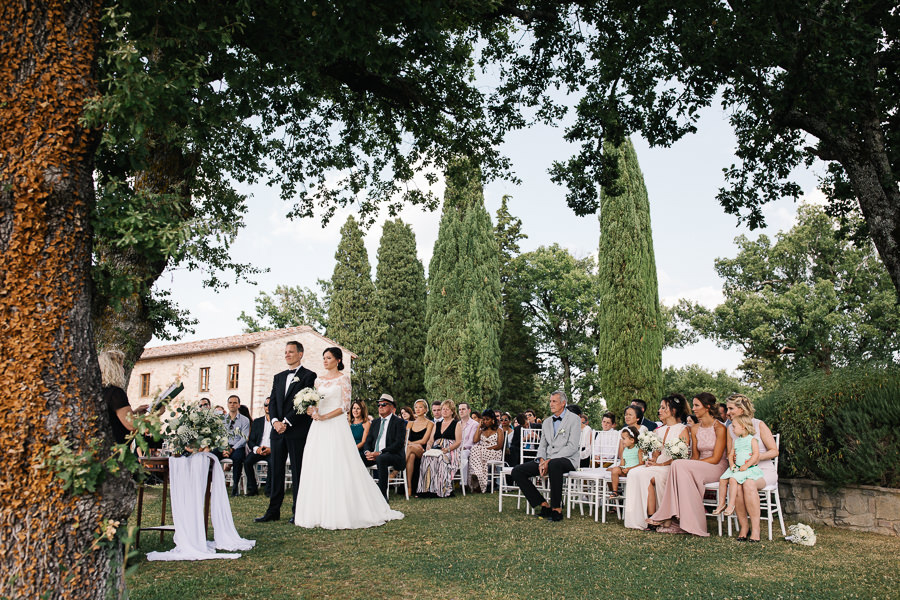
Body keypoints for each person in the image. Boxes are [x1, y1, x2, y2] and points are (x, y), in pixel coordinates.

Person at [295, 349, 404, 529]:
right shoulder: (318, 380)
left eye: (328, 358)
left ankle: (342, 511)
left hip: (335, 425)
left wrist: (325, 417)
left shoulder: (343, 379)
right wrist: (312, 411)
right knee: (317, 464)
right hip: (318, 427)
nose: (325, 361)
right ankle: (317, 511)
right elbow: (315, 403)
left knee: (338, 465)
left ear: (338, 360)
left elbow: (345, 406)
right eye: (323, 358)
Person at [648, 392, 728, 536]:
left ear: (707, 407)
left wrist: (690, 465)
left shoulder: (720, 428)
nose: (694, 409)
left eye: (697, 405)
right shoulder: (695, 428)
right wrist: (691, 465)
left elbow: (716, 458)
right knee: (679, 466)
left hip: (717, 467)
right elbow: (695, 456)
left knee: (679, 464)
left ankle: (667, 515)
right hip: (699, 465)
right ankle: (678, 521)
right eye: (693, 405)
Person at [256, 341, 316, 523]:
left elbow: (305, 402)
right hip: (277, 431)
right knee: (275, 471)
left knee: (298, 471)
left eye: (291, 352)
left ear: (300, 354)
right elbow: (272, 401)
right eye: (285, 352)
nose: (287, 355)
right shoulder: (278, 377)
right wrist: (274, 421)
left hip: (296, 430)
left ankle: (297, 511)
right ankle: (273, 511)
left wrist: (287, 422)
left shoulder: (309, 376)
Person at [510, 391, 581, 522]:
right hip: (548, 459)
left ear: (563, 403)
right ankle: (543, 505)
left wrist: (549, 460)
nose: (551, 404)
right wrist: (542, 460)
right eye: (550, 401)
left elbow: (572, 446)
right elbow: (542, 445)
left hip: (568, 459)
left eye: (554, 401)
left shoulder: (574, 419)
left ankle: (556, 509)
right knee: (517, 471)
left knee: (554, 465)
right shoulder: (547, 422)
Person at [623, 395, 690, 530]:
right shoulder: (658, 430)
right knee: (635, 473)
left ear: (673, 411)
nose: (659, 410)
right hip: (657, 465)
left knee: (652, 477)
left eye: (663, 407)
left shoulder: (682, 429)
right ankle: (641, 518)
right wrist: (652, 460)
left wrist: (660, 464)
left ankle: (661, 516)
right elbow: (656, 453)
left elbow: (681, 457)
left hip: (672, 467)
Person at [725, 394, 778, 542]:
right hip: (742, 471)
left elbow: (774, 451)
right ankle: (744, 527)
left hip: (763, 471)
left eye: (731, 408)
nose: (727, 412)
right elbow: (731, 453)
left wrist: (755, 457)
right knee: (736, 483)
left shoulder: (759, 424)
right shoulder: (731, 429)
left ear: (741, 409)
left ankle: (756, 530)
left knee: (748, 483)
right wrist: (734, 461)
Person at [713, 414, 764, 526]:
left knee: (732, 480)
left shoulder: (752, 440)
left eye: (734, 426)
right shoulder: (737, 441)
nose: (732, 429)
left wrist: (747, 465)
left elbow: (756, 455)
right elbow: (731, 454)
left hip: (747, 469)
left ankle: (731, 505)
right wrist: (731, 464)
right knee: (722, 479)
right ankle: (721, 503)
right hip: (736, 468)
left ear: (743, 427)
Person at [362, 394, 407, 499]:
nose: (380, 407)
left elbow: (398, 443)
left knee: (382, 458)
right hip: (374, 455)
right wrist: (367, 452)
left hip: (393, 456)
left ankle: (382, 497)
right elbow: (368, 441)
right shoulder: (375, 422)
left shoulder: (399, 422)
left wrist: (380, 452)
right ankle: (362, 495)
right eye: (379, 405)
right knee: (357, 457)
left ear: (391, 407)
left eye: (383, 404)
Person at [417, 400, 462, 498]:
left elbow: (458, 442)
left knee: (441, 459)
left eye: (447, 409)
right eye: (443, 409)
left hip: (450, 450)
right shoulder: (437, 424)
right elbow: (430, 440)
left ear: (452, 411)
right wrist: (428, 447)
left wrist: (448, 449)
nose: (444, 411)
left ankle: (442, 489)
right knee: (425, 458)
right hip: (436, 449)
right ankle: (427, 490)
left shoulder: (456, 424)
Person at [98, 350, 144, 445]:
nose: (123, 370)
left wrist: (135, 412)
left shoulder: (99, 391)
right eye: (121, 366)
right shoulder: (116, 393)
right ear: (114, 369)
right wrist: (155, 415)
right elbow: (131, 425)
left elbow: (112, 416)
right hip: (116, 449)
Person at [468, 408, 505, 492]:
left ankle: (478, 478)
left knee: (477, 450)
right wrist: (478, 427)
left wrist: (489, 448)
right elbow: (475, 440)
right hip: (482, 453)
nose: (485, 421)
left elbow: (499, 446)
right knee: (475, 448)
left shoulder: (499, 430)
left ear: (493, 420)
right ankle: (478, 477)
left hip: (494, 453)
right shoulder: (482, 430)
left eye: (487, 419)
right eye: (483, 420)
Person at [221, 395, 250, 496]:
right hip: (224, 446)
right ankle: (214, 484)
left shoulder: (245, 420)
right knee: (211, 456)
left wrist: (232, 449)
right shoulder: (222, 419)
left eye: (234, 403)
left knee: (238, 459)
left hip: (237, 447)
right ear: (227, 404)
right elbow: (219, 435)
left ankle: (235, 487)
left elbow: (244, 438)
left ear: (238, 405)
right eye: (230, 403)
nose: (232, 405)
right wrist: (224, 447)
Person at [244, 397, 273, 497]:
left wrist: (271, 449)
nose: (268, 407)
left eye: (270, 404)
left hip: (272, 450)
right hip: (259, 449)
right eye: (266, 405)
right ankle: (252, 489)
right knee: (247, 462)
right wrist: (257, 449)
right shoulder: (257, 421)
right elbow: (251, 440)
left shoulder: (278, 422)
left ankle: (269, 490)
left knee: (273, 463)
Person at [405, 399, 434, 495]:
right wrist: (412, 444)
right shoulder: (410, 423)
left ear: (425, 410)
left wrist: (411, 444)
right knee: (411, 455)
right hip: (411, 450)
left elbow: (424, 441)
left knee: (410, 448)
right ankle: (409, 487)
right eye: (416, 407)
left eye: (420, 407)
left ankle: (397, 469)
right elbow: (405, 439)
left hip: (423, 450)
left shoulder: (430, 423)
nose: (417, 409)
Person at [609, 426, 643, 498]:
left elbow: (642, 464)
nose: (622, 441)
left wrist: (629, 469)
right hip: (626, 471)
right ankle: (615, 491)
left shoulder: (639, 449)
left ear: (632, 440)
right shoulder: (625, 450)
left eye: (624, 439)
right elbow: (622, 464)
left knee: (615, 470)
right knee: (615, 470)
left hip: (635, 471)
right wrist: (618, 468)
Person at [458, 402, 479, 487]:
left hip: (469, 449)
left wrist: (461, 447)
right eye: (459, 409)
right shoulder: (457, 424)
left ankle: (464, 483)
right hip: (456, 448)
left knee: (463, 455)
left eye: (463, 409)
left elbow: (471, 441)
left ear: (469, 410)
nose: (461, 411)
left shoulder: (474, 424)